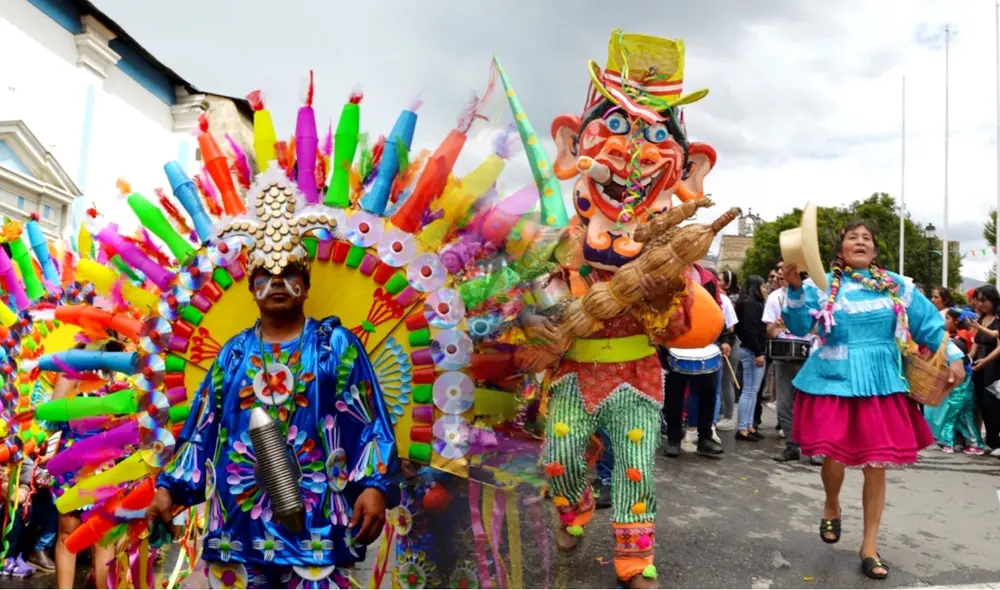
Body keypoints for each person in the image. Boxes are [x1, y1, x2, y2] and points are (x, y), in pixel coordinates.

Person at [148, 201, 399, 588]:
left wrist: (373, 486)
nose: (278, 281)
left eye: (289, 273)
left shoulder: (335, 346)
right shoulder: (232, 354)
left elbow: (368, 422)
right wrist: (167, 488)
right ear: (251, 288)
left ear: (306, 284)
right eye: (266, 274)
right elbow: (204, 430)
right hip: (239, 530)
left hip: (316, 532)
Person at [781, 221, 964, 580]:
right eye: (853, 238)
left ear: (875, 252)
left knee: (875, 464)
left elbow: (928, 323)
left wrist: (954, 355)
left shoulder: (897, 285)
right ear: (840, 251)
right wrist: (794, 288)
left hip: (881, 381)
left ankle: (869, 546)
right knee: (832, 457)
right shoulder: (824, 285)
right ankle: (832, 502)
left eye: (867, 239)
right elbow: (802, 326)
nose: (861, 242)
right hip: (835, 379)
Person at [662, 265, 727, 458]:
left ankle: (705, 437)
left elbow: (717, 309)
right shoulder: (668, 274)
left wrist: (724, 339)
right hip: (676, 342)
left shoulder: (707, 278)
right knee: (675, 394)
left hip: (705, 343)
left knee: (708, 391)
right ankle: (674, 438)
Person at [765, 270, 823, 465]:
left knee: (810, 404)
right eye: (781, 277)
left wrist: (803, 327)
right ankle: (792, 446)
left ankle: (815, 448)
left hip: (808, 356)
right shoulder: (774, 298)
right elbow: (770, 332)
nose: (784, 279)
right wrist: (778, 326)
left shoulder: (812, 292)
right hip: (783, 357)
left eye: (788, 276)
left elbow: (820, 326)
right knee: (784, 404)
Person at [923, 309, 984, 455]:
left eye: (948, 318)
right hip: (965, 391)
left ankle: (949, 443)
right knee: (963, 417)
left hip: (958, 392)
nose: (945, 321)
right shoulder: (959, 342)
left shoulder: (957, 342)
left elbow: (953, 374)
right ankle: (973, 443)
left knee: (951, 417)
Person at [733, 275, 767, 441]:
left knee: (753, 390)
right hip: (752, 351)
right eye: (763, 286)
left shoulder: (744, 302)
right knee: (749, 390)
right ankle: (742, 428)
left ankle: (748, 426)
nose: (765, 289)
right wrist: (758, 352)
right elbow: (750, 329)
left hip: (750, 349)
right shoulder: (750, 304)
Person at [969, 285, 1000, 456]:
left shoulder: (998, 319)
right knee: (981, 402)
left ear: (993, 300)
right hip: (979, 364)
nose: (980, 304)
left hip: (993, 366)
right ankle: (990, 440)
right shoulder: (981, 319)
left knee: (992, 402)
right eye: (979, 300)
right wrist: (969, 357)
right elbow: (976, 341)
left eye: (984, 300)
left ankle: (996, 440)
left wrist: (986, 361)